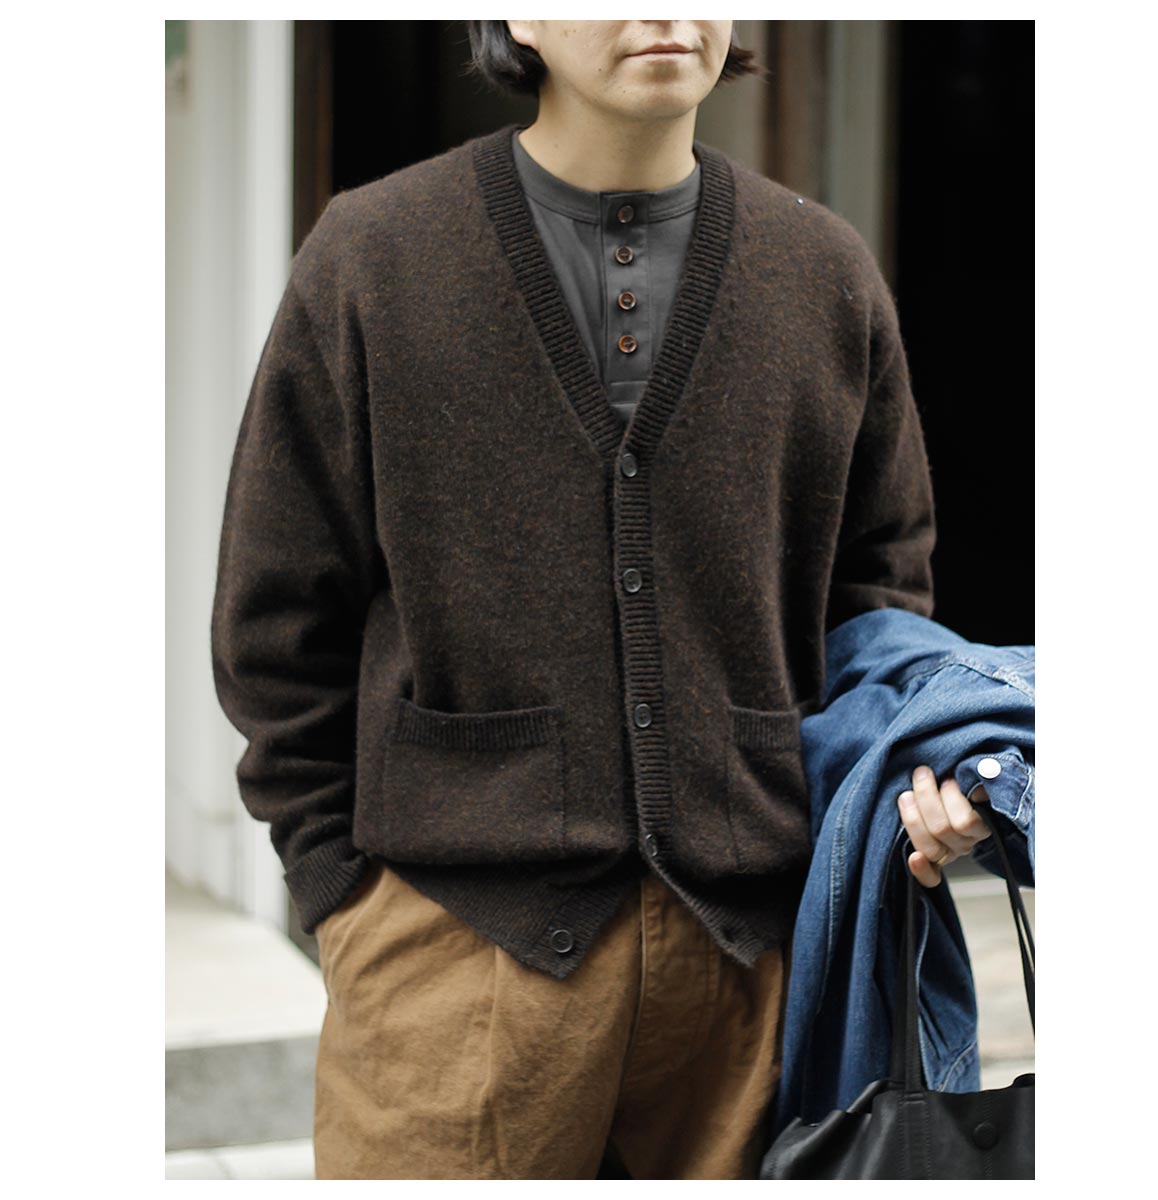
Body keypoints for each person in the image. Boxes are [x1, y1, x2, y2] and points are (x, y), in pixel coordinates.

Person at [210, 19, 990, 1180]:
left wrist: (907, 787)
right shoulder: (375, 256)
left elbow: (876, 601)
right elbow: (276, 614)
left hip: (750, 967)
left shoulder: (821, 270)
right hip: (451, 948)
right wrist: (343, 891)